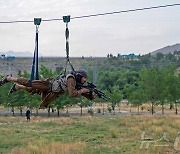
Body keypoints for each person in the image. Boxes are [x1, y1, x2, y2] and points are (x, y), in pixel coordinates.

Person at [0, 69, 96, 107]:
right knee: (30, 83)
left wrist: (90, 96)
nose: (85, 80)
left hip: (53, 92)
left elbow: (79, 92)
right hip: (48, 85)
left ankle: (18, 87)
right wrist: (83, 91)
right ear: (80, 75)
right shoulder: (71, 79)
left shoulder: (76, 84)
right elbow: (72, 93)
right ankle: (9, 78)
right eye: (84, 78)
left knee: (36, 94)